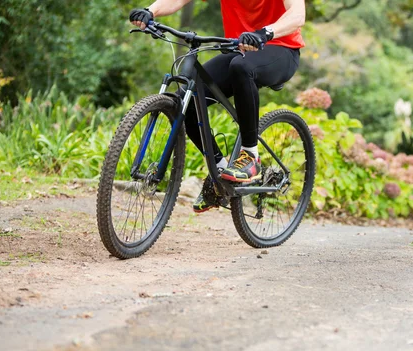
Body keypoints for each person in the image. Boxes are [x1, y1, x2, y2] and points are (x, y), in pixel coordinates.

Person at [129, 0, 306, 213]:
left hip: (281, 48)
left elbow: (297, 15)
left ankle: (250, 155)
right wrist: (150, 11)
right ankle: (219, 173)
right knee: (186, 101)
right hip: (239, 49)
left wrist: (265, 33)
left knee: (241, 67)